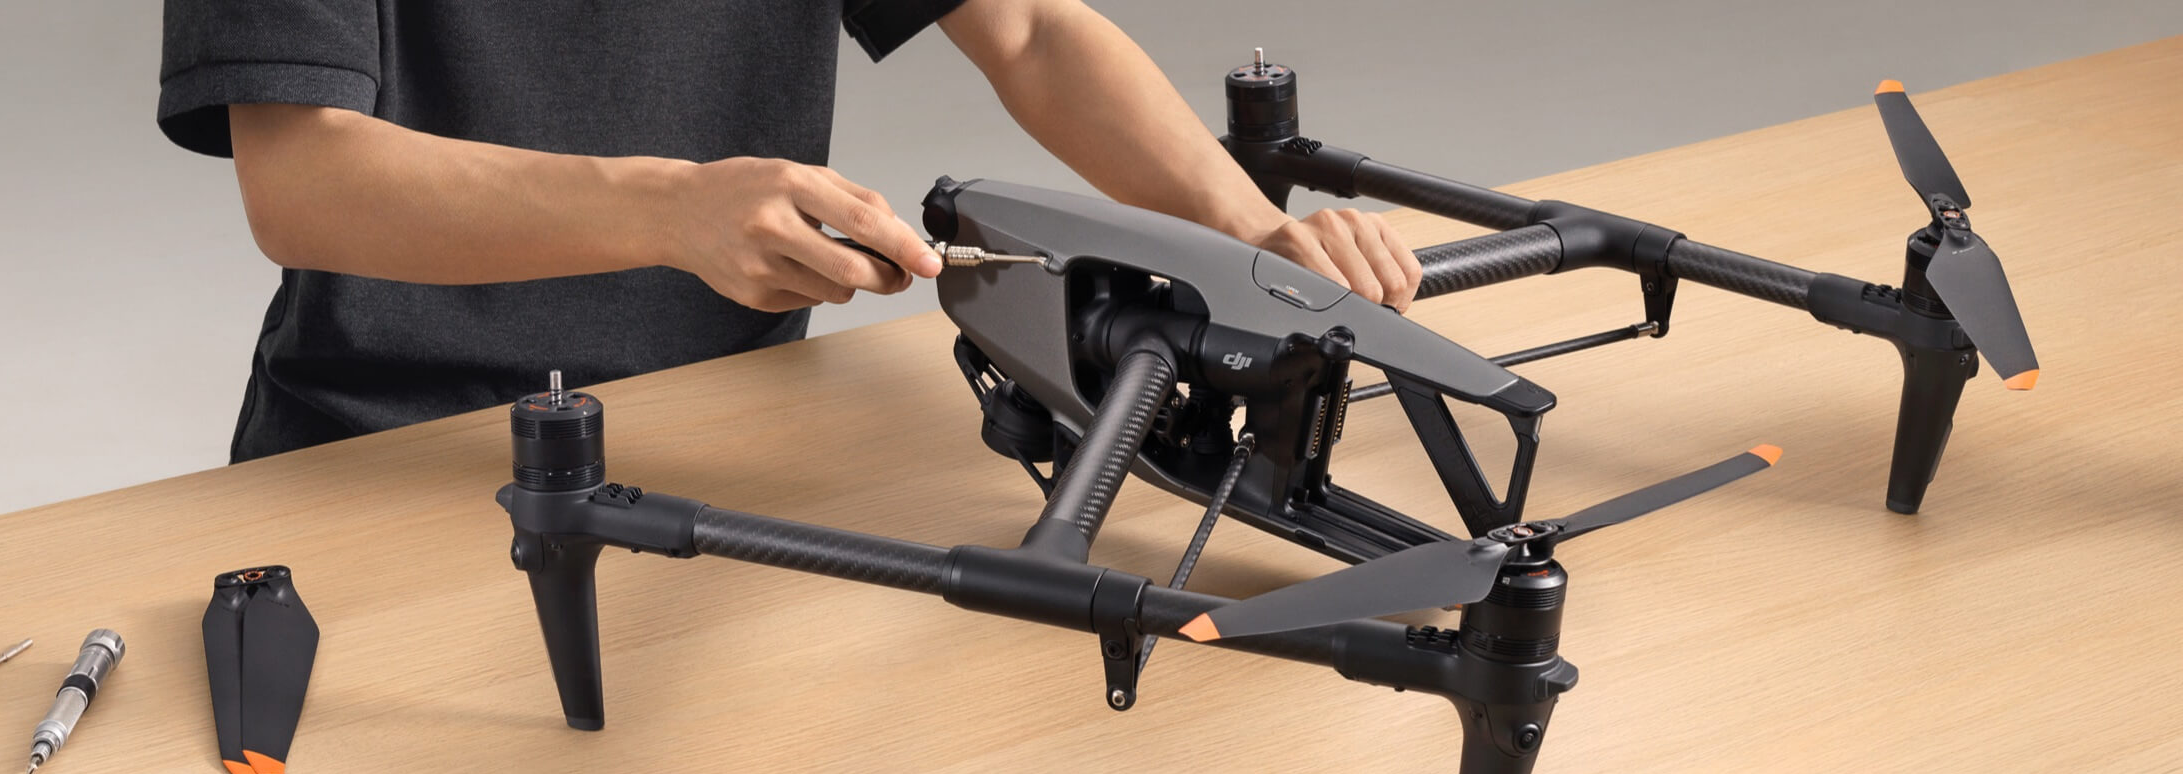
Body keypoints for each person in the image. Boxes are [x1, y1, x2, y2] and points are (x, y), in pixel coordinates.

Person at [158, 0, 1422, 461]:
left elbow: (1032, 30)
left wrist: (1249, 231)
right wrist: (671, 210)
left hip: (737, 437)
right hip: (382, 449)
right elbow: (301, 179)